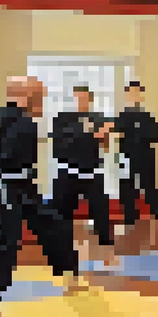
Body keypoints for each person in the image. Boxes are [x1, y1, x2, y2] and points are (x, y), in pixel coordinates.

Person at [0, 77, 79, 317]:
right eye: (40, 97)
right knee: (6, 241)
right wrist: (0, 169)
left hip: (24, 187)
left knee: (53, 225)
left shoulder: (22, 122)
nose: (43, 103)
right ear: (26, 96)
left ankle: (68, 273)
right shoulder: (7, 122)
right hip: (6, 188)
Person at [51, 86, 115, 260]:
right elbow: (61, 142)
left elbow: (105, 146)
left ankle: (104, 238)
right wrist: (90, 134)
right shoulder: (62, 119)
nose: (81, 102)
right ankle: (59, 241)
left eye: (84, 98)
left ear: (90, 100)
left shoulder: (98, 118)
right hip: (68, 171)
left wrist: (104, 135)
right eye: (78, 98)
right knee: (63, 209)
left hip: (92, 171)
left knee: (100, 205)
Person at [114, 80, 158, 227]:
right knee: (127, 184)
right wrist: (136, 133)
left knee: (148, 183)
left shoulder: (147, 116)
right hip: (127, 154)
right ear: (126, 95)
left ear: (141, 96)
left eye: (137, 93)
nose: (134, 96)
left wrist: (135, 133)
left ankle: (156, 210)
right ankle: (130, 214)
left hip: (145, 154)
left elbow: (155, 135)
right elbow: (118, 135)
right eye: (131, 93)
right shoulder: (121, 117)